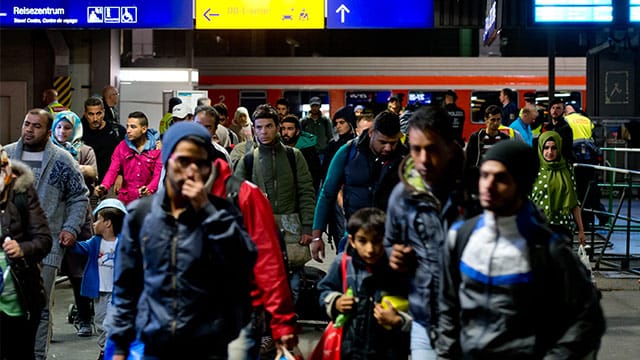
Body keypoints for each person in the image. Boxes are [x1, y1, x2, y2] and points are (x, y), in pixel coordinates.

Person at [437, 140, 605, 359]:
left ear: (521, 183)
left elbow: (588, 318)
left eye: (501, 178)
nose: (488, 185)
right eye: (485, 175)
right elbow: (447, 306)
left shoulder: (548, 248)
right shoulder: (460, 236)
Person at [106, 121, 257, 359]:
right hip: (156, 343)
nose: (192, 171)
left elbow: (242, 262)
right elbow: (127, 284)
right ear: (167, 160)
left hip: (209, 344)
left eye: (201, 163)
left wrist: (206, 210)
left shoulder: (222, 213)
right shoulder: (142, 214)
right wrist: (120, 345)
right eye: (184, 161)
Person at [4, 108, 90, 360]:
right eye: (26, 123)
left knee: (38, 307)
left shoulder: (62, 160)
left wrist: (71, 227)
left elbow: (79, 196)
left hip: (46, 245)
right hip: (7, 244)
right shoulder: (6, 156)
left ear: (48, 130)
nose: (29, 129)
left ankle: (36, 355)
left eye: (36, 126)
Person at [384, 106, 464, 359]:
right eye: (416, 150)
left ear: (450, 148)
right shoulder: (402, 196)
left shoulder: (476, 192)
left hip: (472, 322)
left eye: (432, 149)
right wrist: (393, 256)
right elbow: (389, 243)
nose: (423, 160)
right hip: (425, 320)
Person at [208, 156, 298, 359]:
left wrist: (281, 322)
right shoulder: (168, 201)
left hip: (239, 315)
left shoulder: (244, 194)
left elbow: (268, 263)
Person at [234, 104, 316, 305]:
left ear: (277, 127)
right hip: (260, 228)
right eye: (259, 127)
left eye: (269, 126)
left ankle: (288, 321)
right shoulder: (247, 160)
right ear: (253, 128)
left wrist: (308, 227)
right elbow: (236, 198)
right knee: (263, 280)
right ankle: (269, 330)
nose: (264, 132)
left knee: (294, 279)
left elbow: (306, 192)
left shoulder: (293, 156)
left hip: (291, 226)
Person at [311, 111, 407, 259]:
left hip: (391, 241)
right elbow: (327, 193)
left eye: (393, 142)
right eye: (383, 142)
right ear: (371, 133)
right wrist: (317, 235)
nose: (388, 148)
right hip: (354, 238)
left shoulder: (405, 159)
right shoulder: (348, 152)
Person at [317, 208, 410, 359]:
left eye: (376, 240)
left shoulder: (397, 268)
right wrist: (336, 302)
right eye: (362, 241)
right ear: (352, 241)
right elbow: (324, 290)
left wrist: (398, 320)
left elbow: (418, 307)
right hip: (350, 349)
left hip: (389, 351)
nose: (370, 249)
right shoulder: (343, 263)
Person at [0, 145, 52, 360]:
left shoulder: (21, 191)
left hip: (19, 298)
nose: (4, 171)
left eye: (4, 164)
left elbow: (44, 240)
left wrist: (22, 249)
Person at [51, 110, 98, 337]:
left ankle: (84, 317)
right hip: (51, 216)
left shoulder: (84, 151)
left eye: (67, 127)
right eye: (59, 127)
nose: (62, 132)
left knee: (78, 271)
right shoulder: (47, 150)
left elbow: (91, 173)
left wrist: (73, 165)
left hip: (79, 217)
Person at [69, 198, 127, 359]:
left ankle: (113, 350)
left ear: (108, 223)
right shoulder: (95, 242)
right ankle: (104, 348)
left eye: (98, 220)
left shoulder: (124, 243)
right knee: (101, 322)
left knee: (113, 322)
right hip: (100, 291)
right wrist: (69, 242)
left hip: (117, 293)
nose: (94, 224)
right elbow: (81, 248)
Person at [95, 111, 162, 205]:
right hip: (126, 201)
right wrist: (104, 186)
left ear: (144, 129)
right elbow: (112, 170)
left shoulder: (157, 149)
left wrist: (149, 189)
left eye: (133, 127)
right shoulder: (121, 147)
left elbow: (157, 176)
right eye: (127, 126)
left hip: (149, 202)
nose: (128, 130)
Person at [531, 131, 585, 244]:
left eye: (554, 148)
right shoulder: (533, 170)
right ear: (541, 148)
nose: (549, 152)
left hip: (562, 228)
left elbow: (574, 202)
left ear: (559, 149)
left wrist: (581, 230)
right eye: (546, 148)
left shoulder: (567, 169)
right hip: (538, 227)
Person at [321, 106, 357, 250]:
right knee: (339, 233)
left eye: (342, 122)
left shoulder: (356, 144)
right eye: (336, 123)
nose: (338, 126)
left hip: (349, 194)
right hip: (334, 194)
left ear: (350, 123)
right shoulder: (333, 144)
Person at [463, 105, 511, 207]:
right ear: (486, 120)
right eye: (492, 120)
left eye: (498, 119)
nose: (496, 123)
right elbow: (468, 162)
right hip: (479, 182)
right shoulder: (476, 138)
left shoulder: (505, 138)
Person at [81, 97, 126, 185]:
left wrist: (121, 175)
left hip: (112, 183)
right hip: (87, 184)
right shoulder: (79, 132)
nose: (95, 118)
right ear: (85, 114)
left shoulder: (117, 131)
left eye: (98, 114)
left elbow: (128, 156)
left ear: (104, 112)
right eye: (91, 114)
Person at [280, 114, 322, 193]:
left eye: (290, 129)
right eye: (283, 129)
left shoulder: (308, 149)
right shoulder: (279, 146)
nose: (285, 132)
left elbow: (315, 175)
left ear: (297, 131)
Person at [544, 99, 575, 163]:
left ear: (563, 111)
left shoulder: (566, 128)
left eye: (558, 108)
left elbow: (566, 149)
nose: (554, 111)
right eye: (553, 108)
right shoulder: (547, 128)